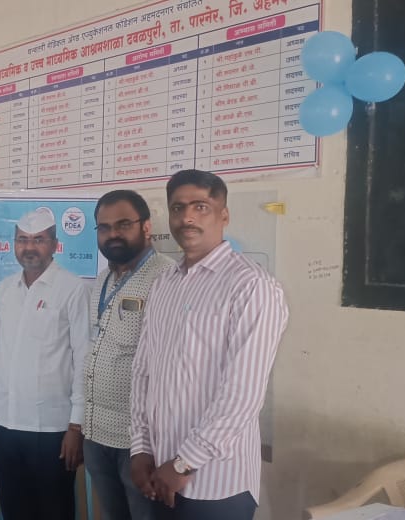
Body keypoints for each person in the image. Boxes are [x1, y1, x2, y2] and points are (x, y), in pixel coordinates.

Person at [129, 170, 289, 520]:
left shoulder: (251, 286)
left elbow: (243, 394)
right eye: (178, 208)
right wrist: (140, 447)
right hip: (159, 473)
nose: (187, 217)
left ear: (224, 215)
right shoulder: (164, 284)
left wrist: (184, 462)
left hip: (217, 484)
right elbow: (143, 371)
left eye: (201, 206)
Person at [0, 208, 91, 520]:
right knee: (14, 509)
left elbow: (84, 358)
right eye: (22, 240)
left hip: (52, 429)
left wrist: (76, 425)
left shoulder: (73, 289)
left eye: (39, 240)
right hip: (6, 425)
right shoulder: (5, 290)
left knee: (54, 511)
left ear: (54, 245)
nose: (29, 247)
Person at [84, 190, 176, 520]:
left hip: (139, 445)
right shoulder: (102, 281)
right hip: (96, 435)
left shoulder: (167, 278)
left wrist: (147, 445)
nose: (113, 234)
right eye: (104, 227)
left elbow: (171, 368)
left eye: (123, 224)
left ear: (146, 227)